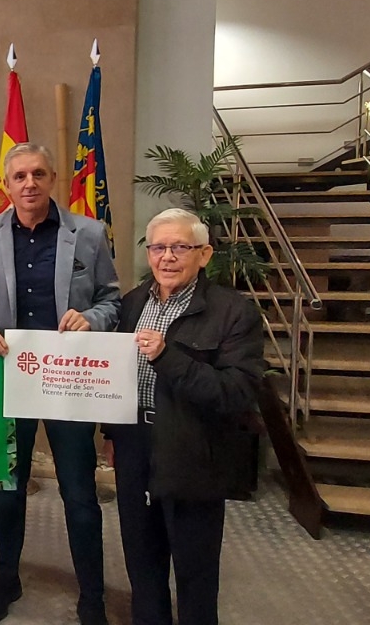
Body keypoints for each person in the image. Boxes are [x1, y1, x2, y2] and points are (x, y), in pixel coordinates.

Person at [0, 142, 120, 625]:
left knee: (78, 493)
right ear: (7, 185)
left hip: (66, 379)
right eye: (19, 176)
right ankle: (6, 577)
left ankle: (91, 595)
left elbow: (112, 300)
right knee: (7, 486)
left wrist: (92, 319)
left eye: (38, 174)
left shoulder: (89, 232)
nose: (29, 183)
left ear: (53, 179)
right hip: (9, 377)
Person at [112, 208, 264, 625]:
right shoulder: (132, 303)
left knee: (195, 576)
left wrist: (167, 357)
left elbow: (237, 392)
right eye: (158, 247)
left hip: (194, 454)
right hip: (134, 450)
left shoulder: (233, 312)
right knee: (142, 565)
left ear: (205, 254)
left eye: (180, 246)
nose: (167, 257)